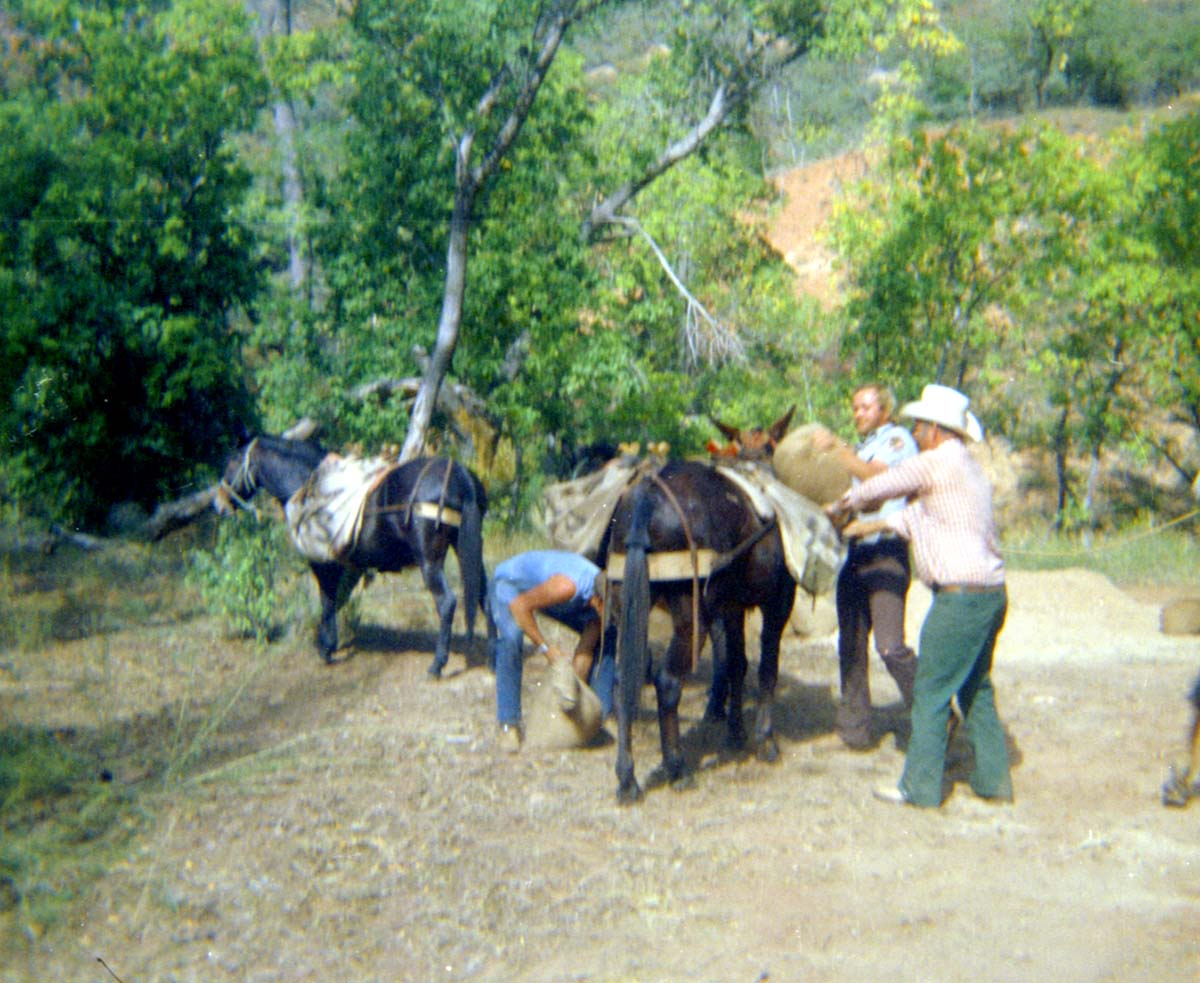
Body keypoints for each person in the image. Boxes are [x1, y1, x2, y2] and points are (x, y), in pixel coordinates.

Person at [826, 383, 1012, 808]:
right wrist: (868, 527)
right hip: (991, 594)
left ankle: (920, 787)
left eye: (919, 425)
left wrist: (843, 504)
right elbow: (915, 518)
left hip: (960, 598)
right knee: (976, 688)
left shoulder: (935, 462)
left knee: (930, 690)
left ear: (935, 430)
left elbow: (886, 483)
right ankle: (993, 781)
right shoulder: (967, 469)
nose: (914, 432)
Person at [813, 383, 919, 749]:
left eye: (865, 407)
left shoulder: (899, 441)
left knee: (890, 646)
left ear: (885, 410)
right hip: (855, 554)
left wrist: (837, 450)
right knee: (851, 645)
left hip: (886, 552)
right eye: (855, 407)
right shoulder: (862, 447)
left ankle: (935, 716)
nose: (857, 413)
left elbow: (877, 478)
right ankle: (854, 729)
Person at [489, 549, 616, 752]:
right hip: (511, 586)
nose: (607, 616)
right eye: (606, 612)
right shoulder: (566, 586)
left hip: (551, 594)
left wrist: (573, 691)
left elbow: (585, 650)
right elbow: (520, 606)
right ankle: (508, 725)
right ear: (598, 601)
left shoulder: (603, 593)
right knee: (511, 639)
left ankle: (598, 718)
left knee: (608, 633)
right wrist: (546, 649)